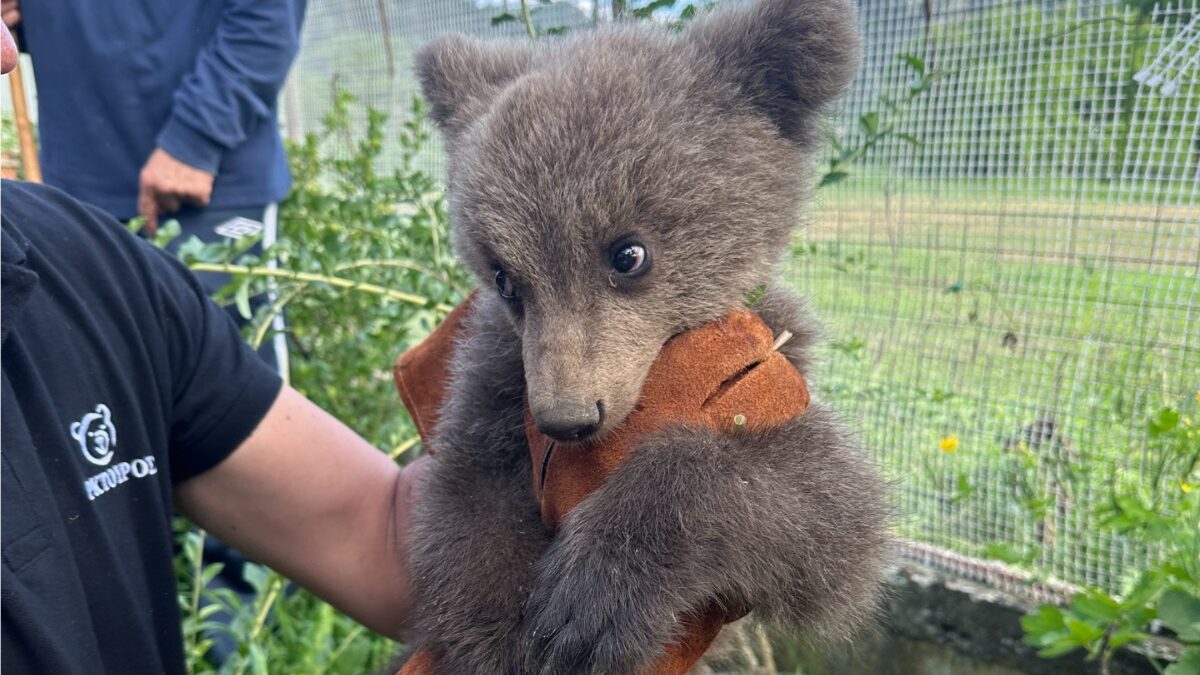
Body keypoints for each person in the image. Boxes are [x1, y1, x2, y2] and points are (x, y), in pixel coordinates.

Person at [1, 25, 424, 674]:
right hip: (92, 172)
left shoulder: (92, 276)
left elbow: (383, 539)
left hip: (193, 184)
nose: (6, 53)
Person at [2, 0, 305, 372]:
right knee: (107, 384)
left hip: (207, 185)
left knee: (229, 378)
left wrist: (196, 139)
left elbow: (267, 15)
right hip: (77, 188)